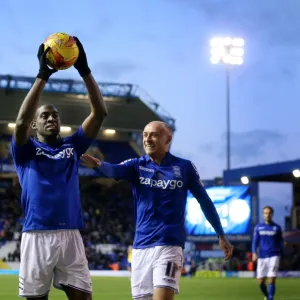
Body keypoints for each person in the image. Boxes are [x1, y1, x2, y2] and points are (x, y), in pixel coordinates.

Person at [80, 121, 233, 300]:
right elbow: (114, 170)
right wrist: (99, 165)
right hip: (141, 248)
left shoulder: (184, 168)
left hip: (169, 244)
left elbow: (205, 201)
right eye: (145, 135)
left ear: (167, 138)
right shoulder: (136, 165)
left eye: (153, 134)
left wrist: (220, 234)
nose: (147, 139)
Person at [11, 38, 108, 300]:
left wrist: (85, 70)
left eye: (55, 115)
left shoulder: (72, 145)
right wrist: (43, 75)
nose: (52, 118)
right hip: (37, 234)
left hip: (71, 235)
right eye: (45, 116)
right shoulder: (25, 150)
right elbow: (20, 122)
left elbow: (99, 114)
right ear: (35, 126)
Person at [252, 206, 284, 300]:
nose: (267, 215)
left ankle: (270, 298)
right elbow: (255, 241)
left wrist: (282, 255)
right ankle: (267, 295)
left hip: (274, 255)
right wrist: (254, 252)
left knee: (272, 279)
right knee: (261, 282)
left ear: (272, 214)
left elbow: (280, 242)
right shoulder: (258, 227)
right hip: (262, 256)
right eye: (265, 213)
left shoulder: (277, 228)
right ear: (263, 214)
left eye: (269, 213)